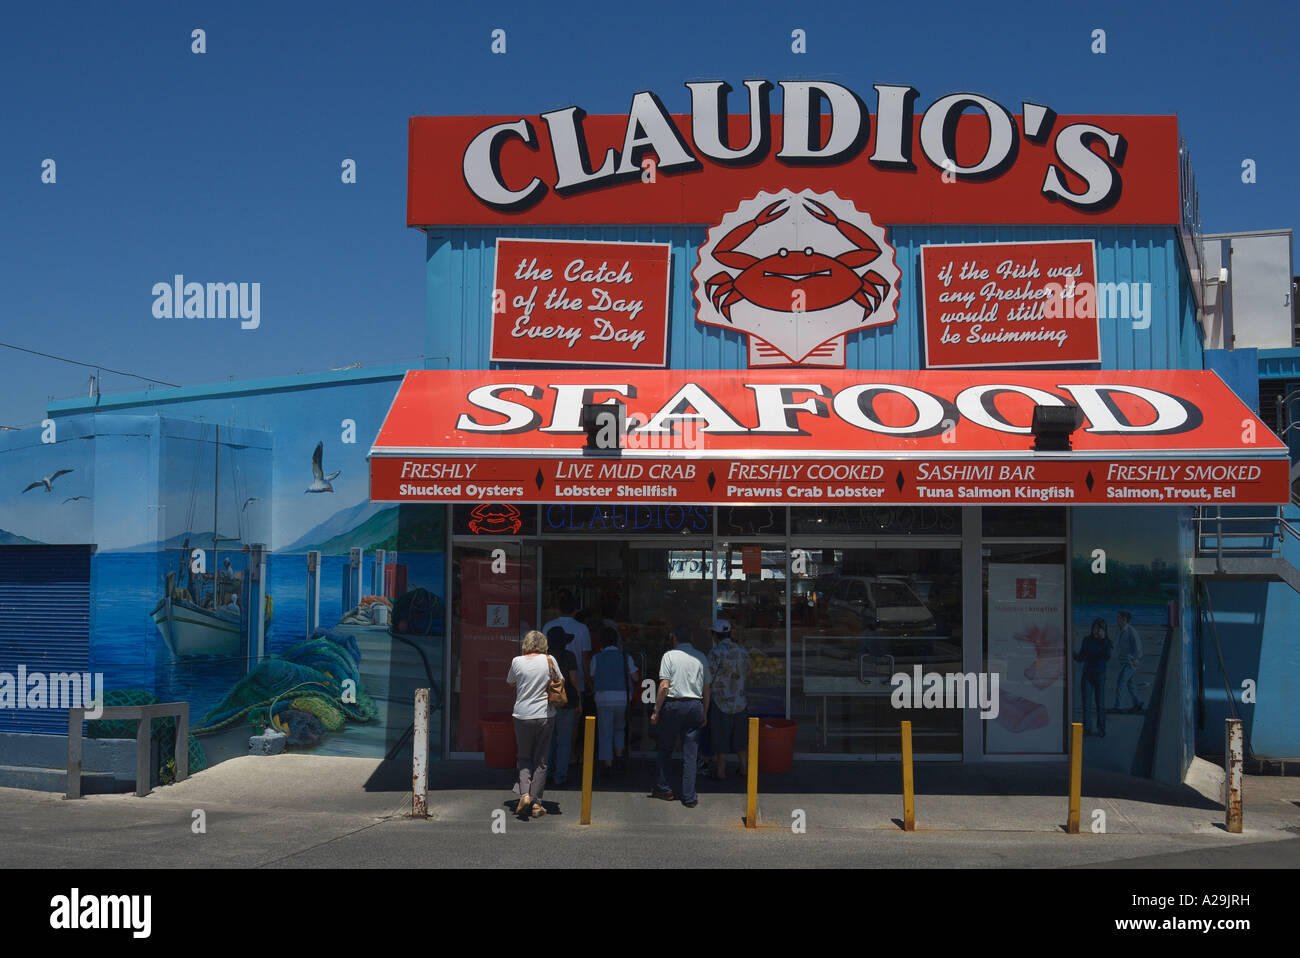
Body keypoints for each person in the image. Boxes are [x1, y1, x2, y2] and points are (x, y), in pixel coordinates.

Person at [651, 626, 711, 807]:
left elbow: (663, 686)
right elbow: (707, 688)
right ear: (691, 638)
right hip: (695, 705)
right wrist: (705, 712)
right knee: (691, 753)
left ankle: (665, 788)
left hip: (673, 705)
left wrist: (656, 710)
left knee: (665, 748)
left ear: (674, 638)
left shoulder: (669, 656)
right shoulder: (700, 656)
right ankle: (689, 796)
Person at [505, 630, 558, 819]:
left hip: (522, 714)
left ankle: (525, 795)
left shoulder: (517, 661)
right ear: (543, 644)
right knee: (541, 761)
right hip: (545, 714)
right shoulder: (550, 660)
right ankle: (536, 804)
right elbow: (560, 680)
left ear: (525, 644)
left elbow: (510, 682)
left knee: (524, 757)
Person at [590, 623, 639, 777]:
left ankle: (607, 764)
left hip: (603, 698)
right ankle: (619, 756)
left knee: (605, 732)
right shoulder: (626, 657)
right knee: (619, 729)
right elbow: (635, 677)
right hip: (622, 698)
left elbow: (592, 676)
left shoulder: (596, 658)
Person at [706, 619, 751, 779]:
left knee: (721, 736)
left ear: (715, 635)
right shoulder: (742, 650)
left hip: (721, 701)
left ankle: (721, 771)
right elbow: (748, 672)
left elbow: (708, 678)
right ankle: (744, 768)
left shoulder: (715, 653)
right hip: (740, 701)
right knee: (741, 736)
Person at [545, 626, 582, 788]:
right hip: (566, 701)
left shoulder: (544, 658)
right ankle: (560, 776)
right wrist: (580, 700)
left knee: (548, 741)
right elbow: (574, 680)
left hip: (546, 702)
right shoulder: (569, 656)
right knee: (564, 741)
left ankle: (546, 774)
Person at [1073, 618, 1111, 737]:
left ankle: (1101, 728)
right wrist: (1071, 652)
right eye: (1095, 628)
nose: (1096, 631)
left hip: (1100, 675)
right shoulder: (1087, 640)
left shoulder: (1105, 642)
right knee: (1086, 704)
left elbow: (1107, 656)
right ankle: (1087, 728)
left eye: (1099, 629)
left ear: (1103, 630)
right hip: (1087, 675)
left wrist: (1104, 639)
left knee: (1100, 703)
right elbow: (1080, 658)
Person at [1113, 610, 1143, 713]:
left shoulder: (1131, 631)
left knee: (1121, 682)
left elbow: (1137, 646)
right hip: (1124, 662)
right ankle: (1138, 703)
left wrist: (1137, 658)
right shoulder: (1120, 630)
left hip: (1131, 662)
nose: (1117, 620)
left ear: (1124, 619)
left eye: (1118, 618)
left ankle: (1119, 707)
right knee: (1130, 683)